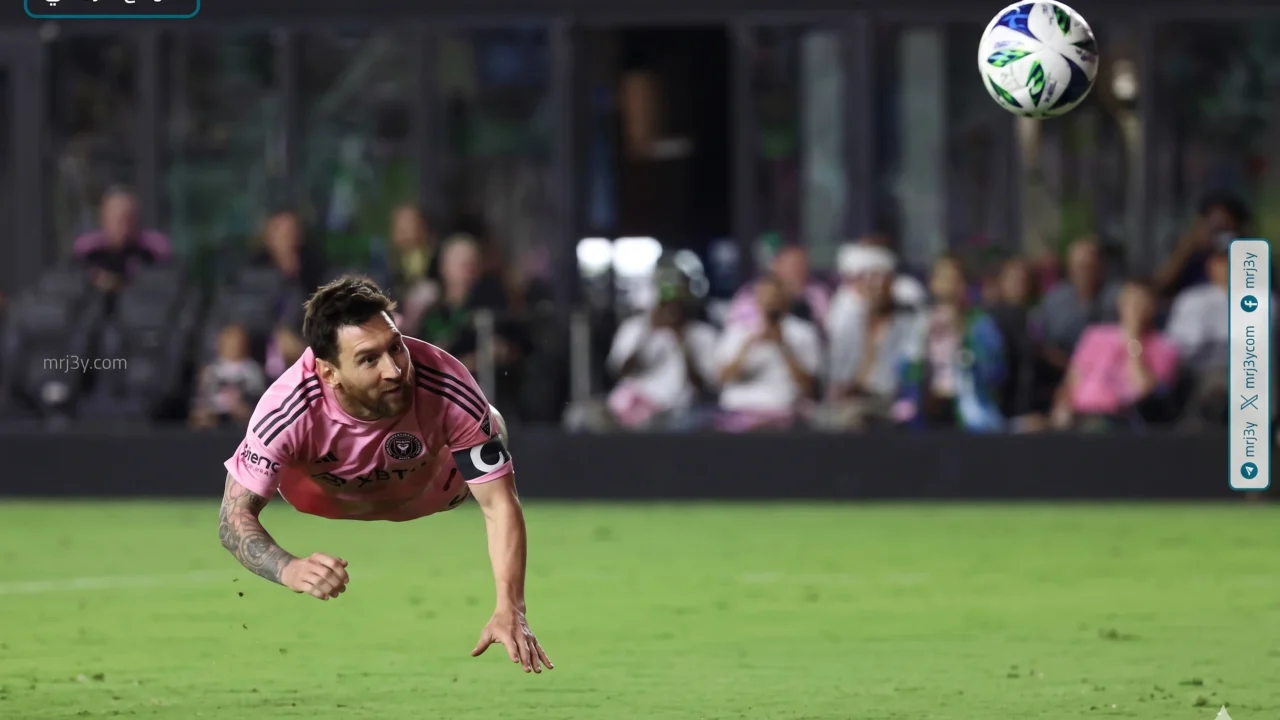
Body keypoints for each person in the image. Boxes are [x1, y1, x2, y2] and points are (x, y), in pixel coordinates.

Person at [218, 275, 552, 674]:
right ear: (328, 372)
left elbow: (499, 503)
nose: (394, 370)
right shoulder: (286, 409)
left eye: (395, 346)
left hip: (432, 491)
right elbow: (232, 519)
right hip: (321, 498)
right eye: (368, 359)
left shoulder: (446, 383)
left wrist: (510, 607)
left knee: (491, 422)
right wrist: (288, 568)